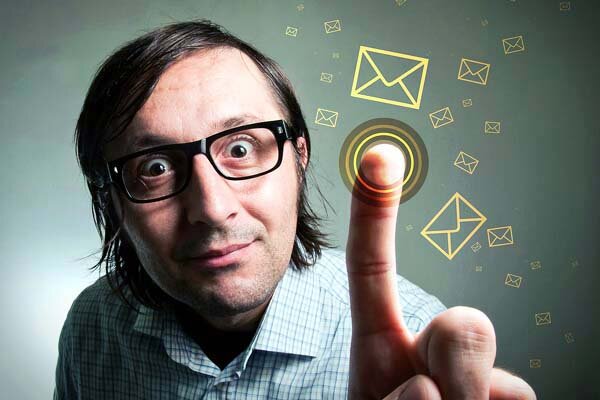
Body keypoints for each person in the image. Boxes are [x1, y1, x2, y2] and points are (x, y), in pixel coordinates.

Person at [54, 19, 536, 399]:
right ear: (112, 201)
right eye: (155, 166)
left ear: (298, 160)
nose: (212, 209)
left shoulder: (414, 345)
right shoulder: (92, 326)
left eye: (241, 149)